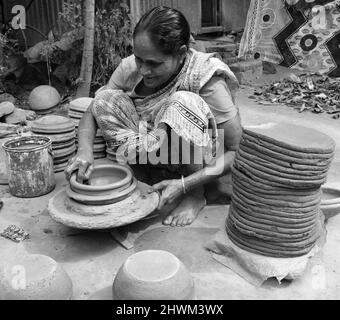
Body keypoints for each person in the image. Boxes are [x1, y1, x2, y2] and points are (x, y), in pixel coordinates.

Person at [65, 6, 242, 227]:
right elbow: (95, 109)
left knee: (182, 102)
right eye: (139, 59)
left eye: (154, 63)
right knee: (104, 99)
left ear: (180, 53)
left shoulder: (204, 76)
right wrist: (84, 152)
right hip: (153, 152)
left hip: (199, 161)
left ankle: (195, 195)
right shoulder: (130, 68)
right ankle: (143, 177)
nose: (143, 70)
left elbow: (236, 150)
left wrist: (186, 185)